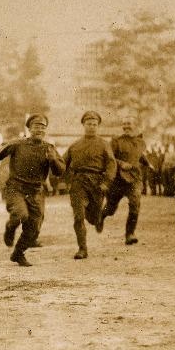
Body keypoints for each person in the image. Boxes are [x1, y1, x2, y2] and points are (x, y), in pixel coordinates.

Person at [0, 114, 65, 266]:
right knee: (20, 214)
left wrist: (53, 161)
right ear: (29, 128)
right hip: (16, 189)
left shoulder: (49, 148)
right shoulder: (18, 144)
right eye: (36, 126)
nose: (39, 129)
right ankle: (10, 227)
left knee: (34, 228)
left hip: (36, 192)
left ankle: (18, 253)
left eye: (43, 127)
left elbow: (61, 171)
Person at [63, 110, 117, 259]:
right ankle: (82, 249)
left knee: (93, 218)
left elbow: (111, 165)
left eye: (94, 124)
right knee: (78, 216)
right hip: (79, 183)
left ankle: (98, 218)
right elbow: (62, 164)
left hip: (97, 184)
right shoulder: (75, 145)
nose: (91, 127)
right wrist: (67, 181)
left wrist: (106, 182)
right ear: (83, 125)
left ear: (98, 126)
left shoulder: (104, 144)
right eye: (88, 124)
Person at [99, 115, 154, 244]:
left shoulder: (140, 142)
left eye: (129, 123)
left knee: (135, 204)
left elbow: (139, 155)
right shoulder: (116, 141)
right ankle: (101, 216)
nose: (126, 126)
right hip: (118, 179)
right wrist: (121, 163)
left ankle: (130, 234)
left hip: (134, 177)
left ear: (135, 125)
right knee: (111, 209)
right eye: (124, 124)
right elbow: (110, 158)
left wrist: (148, 164)